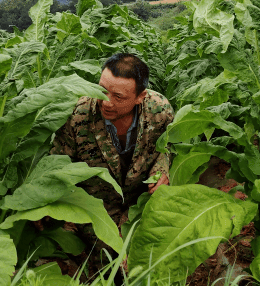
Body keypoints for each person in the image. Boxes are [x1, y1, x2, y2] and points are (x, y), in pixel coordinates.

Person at [50, 53, 174, 271]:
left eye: (118, 96)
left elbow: (169, 146)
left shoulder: (160, 110)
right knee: (111, 263)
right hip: (96, 207)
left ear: (140, 96)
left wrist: (162, 168)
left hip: (140, 201)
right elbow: (57, 167)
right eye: (102, 89)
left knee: (150, 258)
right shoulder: (77, 116)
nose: (106, 101)